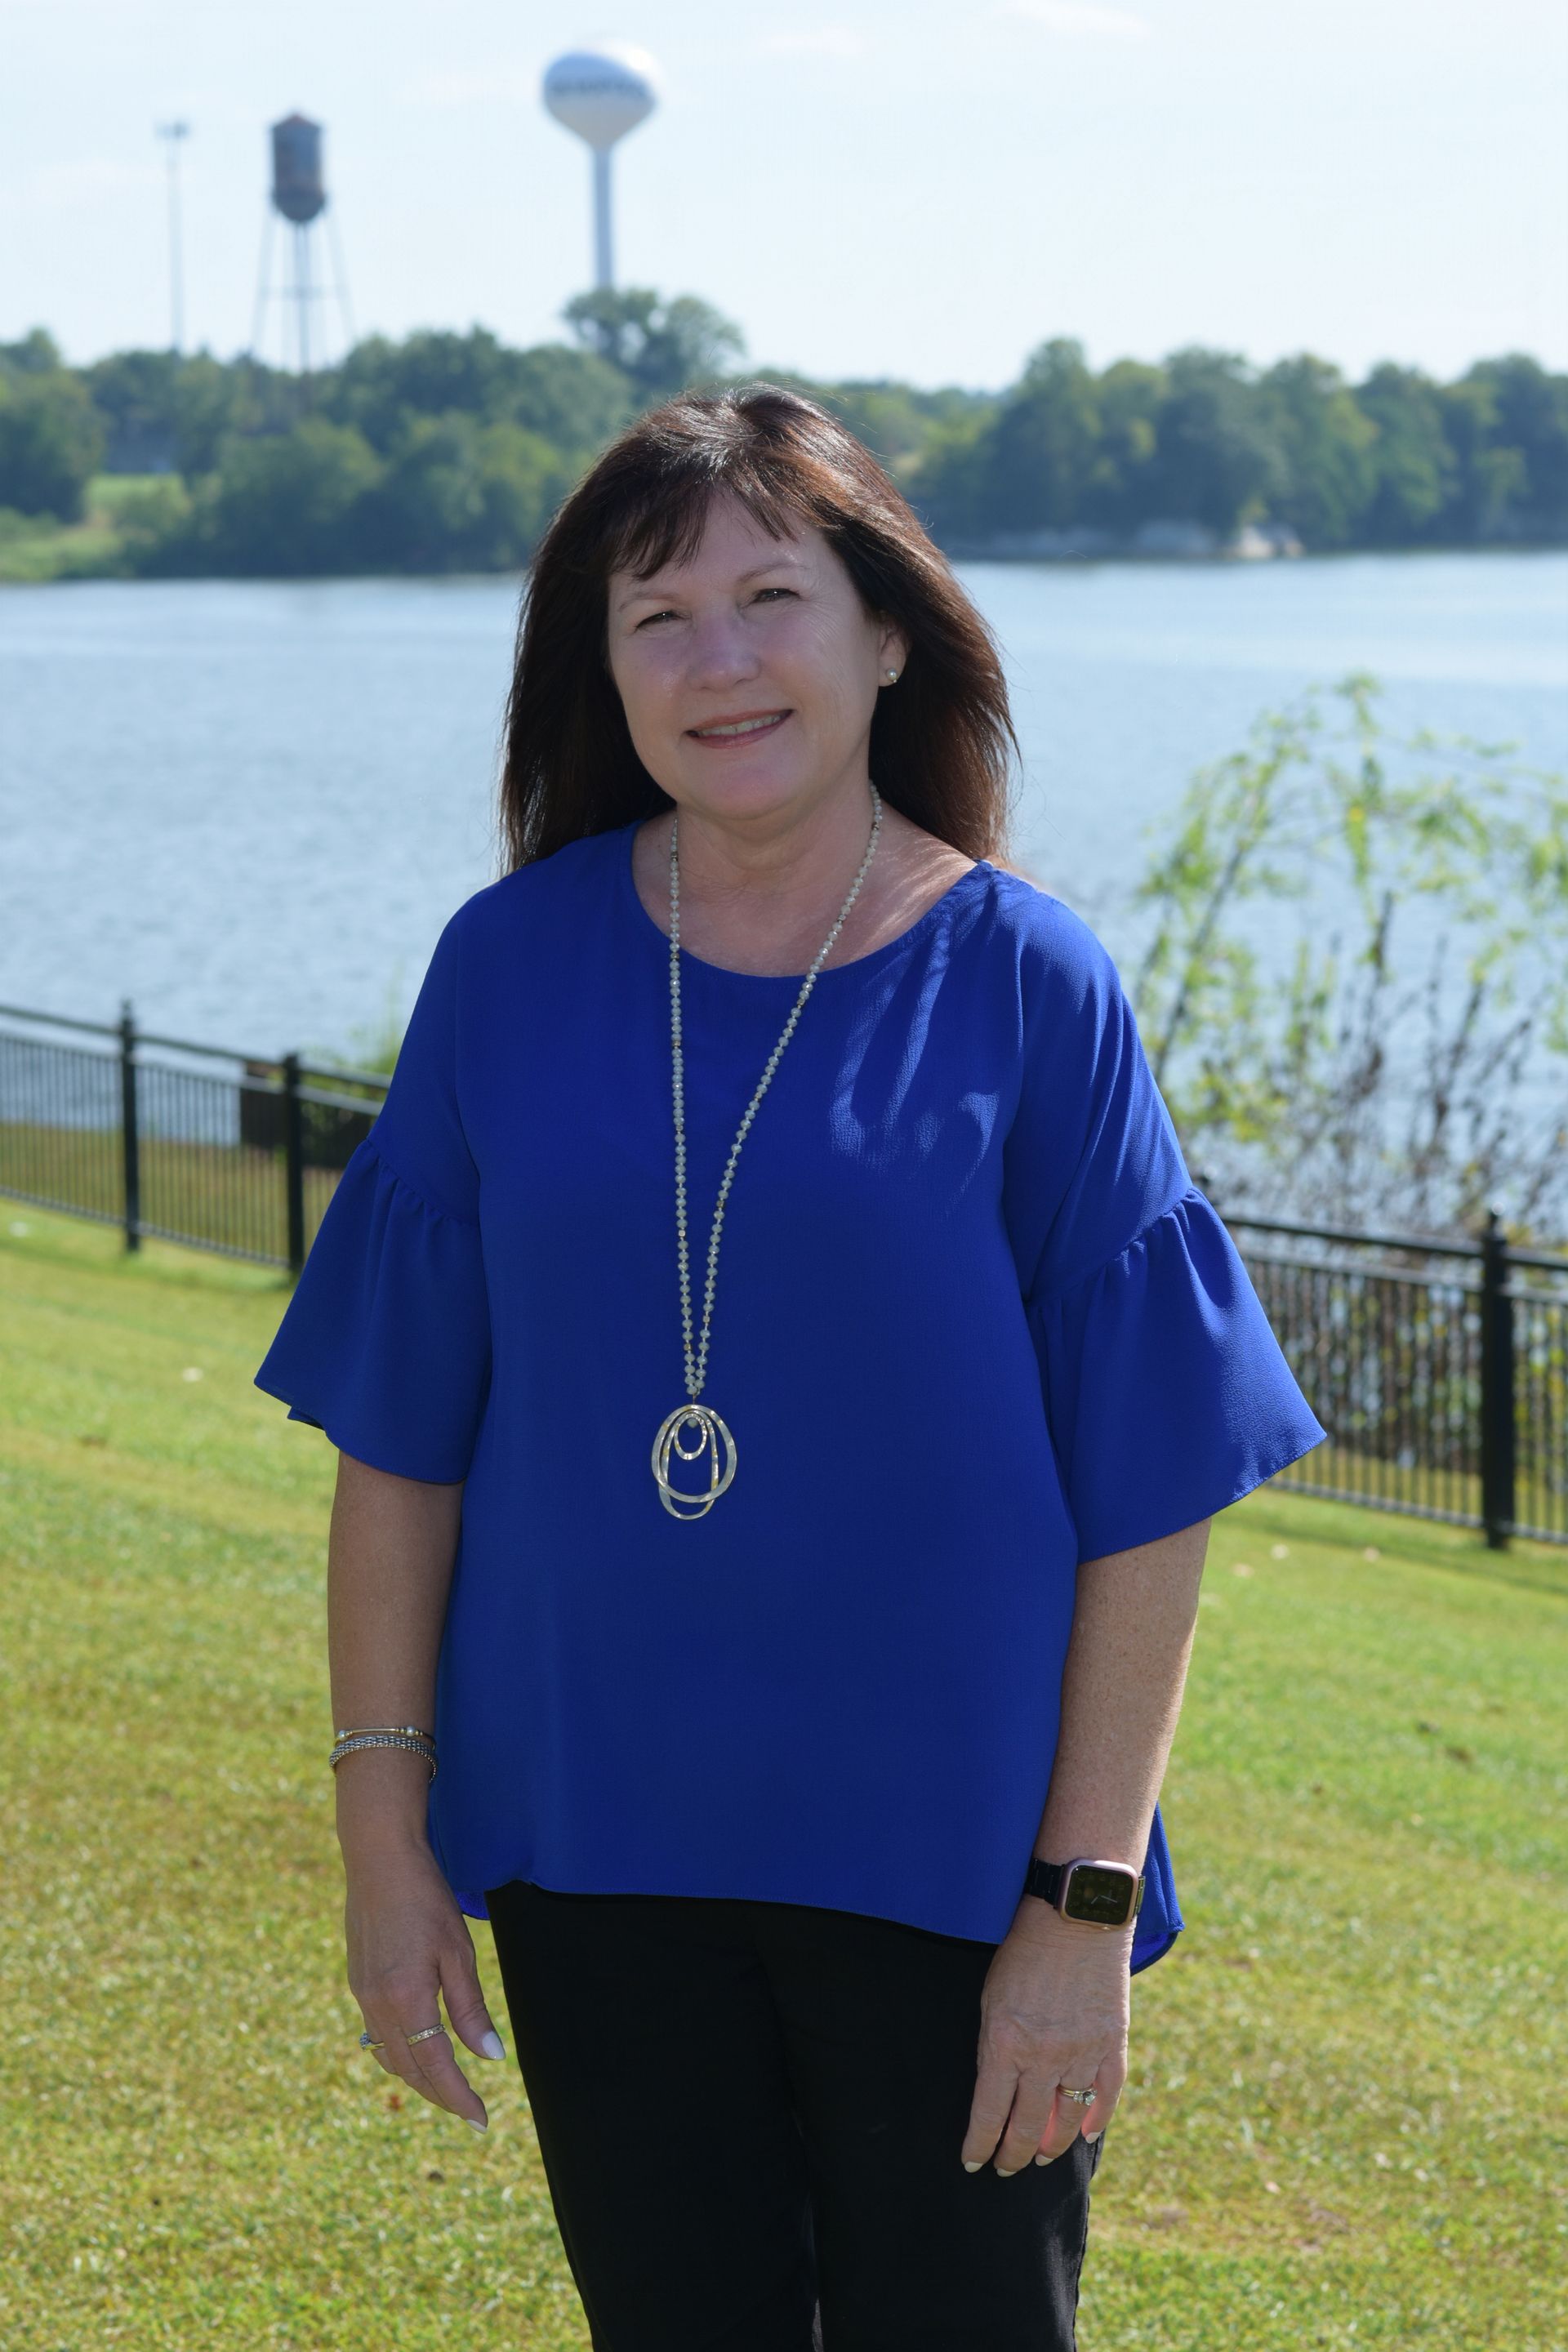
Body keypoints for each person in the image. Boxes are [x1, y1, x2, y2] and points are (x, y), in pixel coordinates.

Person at [254, 384, 1324, 2352]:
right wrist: (381, 1844)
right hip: (599, 1857)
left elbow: (1152, 1483)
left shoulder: (1028, 981)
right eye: (658, 617)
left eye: (773, 597)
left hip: (958, 1870)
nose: (720, 661)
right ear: (600, 666)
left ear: (887, 631)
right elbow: (402, 1444)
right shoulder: (504, 968)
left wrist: (1079, 1912)